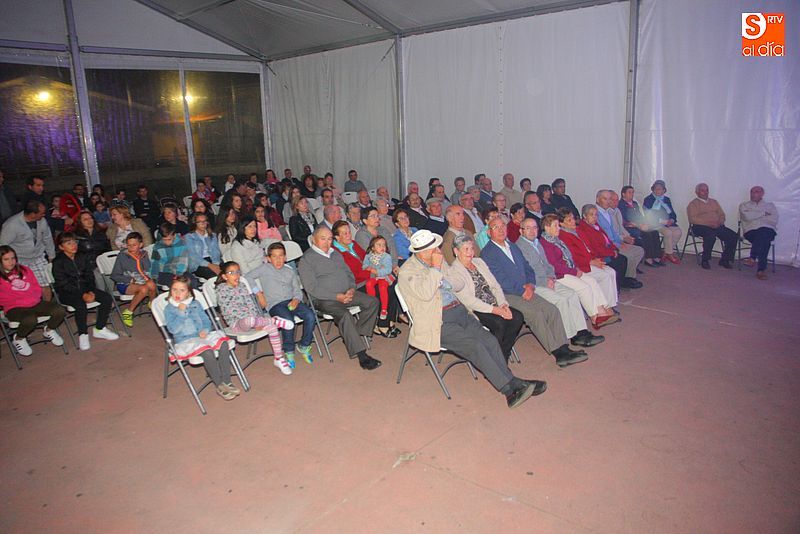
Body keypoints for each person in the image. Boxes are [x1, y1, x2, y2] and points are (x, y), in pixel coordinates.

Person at [397, 229, 547, 408]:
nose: (438, 251)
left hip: (459, 311)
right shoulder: (407, 272)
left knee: (489, 340)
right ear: (422, 252)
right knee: (475, 346)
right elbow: (426, 293)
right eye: (434, 248)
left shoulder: (438, 260)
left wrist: (448, 278)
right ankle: (509, 390)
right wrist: (436, 270)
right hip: (438, 321)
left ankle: (514, 382)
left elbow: (457, 284)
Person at [480, 218, 589, 368]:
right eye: (495, 227)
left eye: (503, 226)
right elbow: (499, 280)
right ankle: (559, 354)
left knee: (552, 310)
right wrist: (522, 290)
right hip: (507, 294)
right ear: (488, 232)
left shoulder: (512, 246)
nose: (500, 230)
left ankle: (564, 347)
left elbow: (528, 268)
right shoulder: (487, 253)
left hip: (527, 288)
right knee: (536, 314)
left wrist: (530, 285)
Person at [298, 227, 381, 369]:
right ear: (314, 239)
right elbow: (311, 288)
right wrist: (337, 297)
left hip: (346, 293)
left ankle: (355, 334)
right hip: (323, 299)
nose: (326, 242)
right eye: (322, 238)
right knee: (345, 315)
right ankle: (362, 355)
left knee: (372, 302)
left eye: (329, 239)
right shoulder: (306, 259)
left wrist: (351, 289)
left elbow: (349, 274)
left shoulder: (335, 254)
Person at [516, 217, 611, 340]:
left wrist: (551, 276)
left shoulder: (536, 243)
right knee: (562, 300)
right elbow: (527, 272)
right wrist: (545, 281)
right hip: (535, 284)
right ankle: (571, 335)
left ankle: (581, 331)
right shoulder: (519, 247)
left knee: (572, 295)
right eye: (527, 228)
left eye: (534, 228)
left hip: (549, 279)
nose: (532, 231)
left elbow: (548, 264)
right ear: (521, 231)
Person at [163, 276, 240, 400]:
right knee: (207, 351)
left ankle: (227, 381)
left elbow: (205, 320)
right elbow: (173, 330)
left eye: (182, 290)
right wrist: (181, 313)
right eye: (174, 290)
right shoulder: (169, 309)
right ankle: (219, 385)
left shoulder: (195, 303)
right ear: (170, 291)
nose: (177, 293)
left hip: (202, 336)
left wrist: (205, 330)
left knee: (223, 343)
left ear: (188, 292)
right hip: (186, 341)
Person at [450, 234, 524, 361]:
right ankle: (495, 361)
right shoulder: (453, 271)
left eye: (472, 248)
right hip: (476, 308)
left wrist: (503, 304)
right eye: (465, 249)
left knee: (517, 317)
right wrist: (496, 310)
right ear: (456, 251)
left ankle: (502, 356)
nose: (470, 252)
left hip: (494, 303)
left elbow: (495, 285)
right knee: (499, 323)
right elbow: (469, 301)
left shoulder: (479, 262)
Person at [215, 261, 294, 376]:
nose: (236, 275)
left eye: (238, 272)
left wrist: (257, 320)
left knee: (271, 327)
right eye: (232, 273)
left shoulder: (242, 286)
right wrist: (253, 320)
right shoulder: (221, 290)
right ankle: (275, 320)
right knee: (251, 320)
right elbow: (230, 311)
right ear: (224, 276)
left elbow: (251, 304)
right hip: (236, 324)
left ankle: (278, 358)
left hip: (254, 321)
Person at [51, 233, 119, 350]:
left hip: (86, 289)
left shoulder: (82, 256)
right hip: (67, 293)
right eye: (69, 243)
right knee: (80, 305)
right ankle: (83, 334)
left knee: (106, 298)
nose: (73, 245)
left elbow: (89, 276)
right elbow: (62, 284)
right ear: (61, 247)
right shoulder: (58, 262)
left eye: (74, 242)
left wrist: (90, 291)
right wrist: (82, 295)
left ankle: (100, 328)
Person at [257, 243, 316, 368]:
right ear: (268, 258)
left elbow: (297, 290)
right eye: (274, 256)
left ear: (285, 257)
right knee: (288, 321)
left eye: (281, 256)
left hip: (291, 301)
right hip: (275, 304)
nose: (278, 260)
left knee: (310, 315)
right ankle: (289, 350)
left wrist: (296, 299)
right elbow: (247, 277)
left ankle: (304, 345)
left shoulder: (289, 271)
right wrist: (258, 292)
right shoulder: (264, 269)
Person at [0, 245, 65, 356]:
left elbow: (35, 287)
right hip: (14, 308)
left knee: (59, 310)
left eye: (13, 258)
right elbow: (4, 298)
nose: (11, 262)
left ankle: (49, 329)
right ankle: (19, 338)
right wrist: (21, 298)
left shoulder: (24, 269)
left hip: (34, 303)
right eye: (6, 259)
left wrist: (33, 298)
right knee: (30, 320)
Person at [555, 209, 620, 312]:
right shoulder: (563, 236)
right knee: (604, 275)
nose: (573, 221)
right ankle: (606, 307)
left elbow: (589, 247)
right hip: (581, 265)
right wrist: (591, 262)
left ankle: (611, 303)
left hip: (590, 260)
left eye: (572, 218)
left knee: (611, 272)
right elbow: (573, 256)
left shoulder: (578, 230)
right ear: (562, 224)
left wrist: (595, 258)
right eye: (569, 220)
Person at [0, 200, 55, 300]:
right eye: (41, 213)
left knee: (45, 284)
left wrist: (51, 256)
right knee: (25, 287)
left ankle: (48, 308)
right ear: (33, 214)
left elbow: (47, 237)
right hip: (20, 260)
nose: (44, 215)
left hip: (38, 256)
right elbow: (3, 245)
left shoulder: (42, 221)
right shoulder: (12, 225)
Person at [577, 204, 639, 289]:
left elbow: (607, 239)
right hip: (599, 255)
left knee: (622, 259)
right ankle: (616, 286)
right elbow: (596, 248)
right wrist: (612, 253)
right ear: (584, 215)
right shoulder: (583, 228)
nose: (595, 217)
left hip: (607, 250)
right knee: (620, 261)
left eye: (596, 215)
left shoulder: (595, 225)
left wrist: (614, 249)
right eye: (592, 214)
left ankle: (620, 283)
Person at [595, 190, 645, 282]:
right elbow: (602, 236)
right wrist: (617, 244)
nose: (608, 201)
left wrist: (621, 241)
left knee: (639, 250)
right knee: (629, 255)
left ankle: (627, 274)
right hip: (608, 245)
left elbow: (614, 231)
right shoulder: (595, 214)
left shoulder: (608, 212)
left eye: (609, 199)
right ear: (598, 199)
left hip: (616, 242)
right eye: (604, 199)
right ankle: (629, 279)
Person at [110, 232, 157, 327]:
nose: (131, 247)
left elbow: (148, 270)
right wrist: (129, 279)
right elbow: (114, 275)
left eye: (134, 245)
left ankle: (152, 303)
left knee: (151, 284)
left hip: (141, 281)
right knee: (144, 289)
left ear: (140, 245)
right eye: (129, 245)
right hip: (125, 284)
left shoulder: (144, 254)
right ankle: (128, 312)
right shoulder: (122, 256)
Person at [686, 183, 738, 270]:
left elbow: (722, 215)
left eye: (707, 190)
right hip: (700, 227)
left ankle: (725, 259)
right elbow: (693, 219)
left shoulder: (714, 202)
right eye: (702, 190)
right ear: (697, 192)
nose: (705, 192)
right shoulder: (693, 204)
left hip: (716, 225)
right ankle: (705, 259)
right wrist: (709, 223)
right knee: (711, 235)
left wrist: (720, 222)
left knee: (733, 236)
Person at [618, 186, 663, 267]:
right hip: (628, 227)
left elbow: (640, 216)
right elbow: (623, 220)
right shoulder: (620, 204)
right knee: (646, 234)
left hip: (639, 225)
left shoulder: (634, 203)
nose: (632, 194)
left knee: (654, 232)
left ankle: (656, 257)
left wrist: (644, 223)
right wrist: (638, 225)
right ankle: (648, 259)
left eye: (633, 192)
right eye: (629, 192)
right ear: (623, 194)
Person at [739, 186, 778, 280]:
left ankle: (752, 258)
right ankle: (761, 270)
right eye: (751, 192)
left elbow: (774, 220)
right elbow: (747, 217)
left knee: (763, 233)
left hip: (768, 230)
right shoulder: (744, 205)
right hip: (751, 231)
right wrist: (763, 214)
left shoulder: (770, 205)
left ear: (762, 194)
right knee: (765, 240)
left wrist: (754, 215)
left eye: (756, 192)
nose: (753, 194)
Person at [643, 180, 682, 263]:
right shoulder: (648, 199)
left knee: (678, 232)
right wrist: (663, 221)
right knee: (668, 233)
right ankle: (670, 255)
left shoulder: (666, 199)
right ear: (653, 190)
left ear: (664, 190)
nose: (658, 191)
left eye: (660, 189)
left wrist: (672, 219)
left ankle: (666, 252)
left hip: (667, 223)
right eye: (656, 189)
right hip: (655, 223)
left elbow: (672, 212)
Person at [362, 235, 395, 321]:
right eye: (379, 245)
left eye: (384, 245)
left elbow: (388, 269)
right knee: (369, 284)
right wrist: (367, 267)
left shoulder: (386, 256)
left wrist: (377, 271)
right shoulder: (368, 256)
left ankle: (384, 309)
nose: (382, 247)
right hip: (374, 277)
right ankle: (373, 304)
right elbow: (364, 265)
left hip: (384, 277)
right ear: (372, 248)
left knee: (382, 288)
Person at [184, 213, 222, 280]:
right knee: (214, 276)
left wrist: (216, 264)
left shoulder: (212, 235)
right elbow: (193, 256)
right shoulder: (189, 237)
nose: (203, 224)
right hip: (198, 263)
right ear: (195, 223)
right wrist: (210, 265)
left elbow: (216, 251)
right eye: (200, 222)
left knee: (228, 270)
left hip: (213, 259)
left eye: (205, 221)